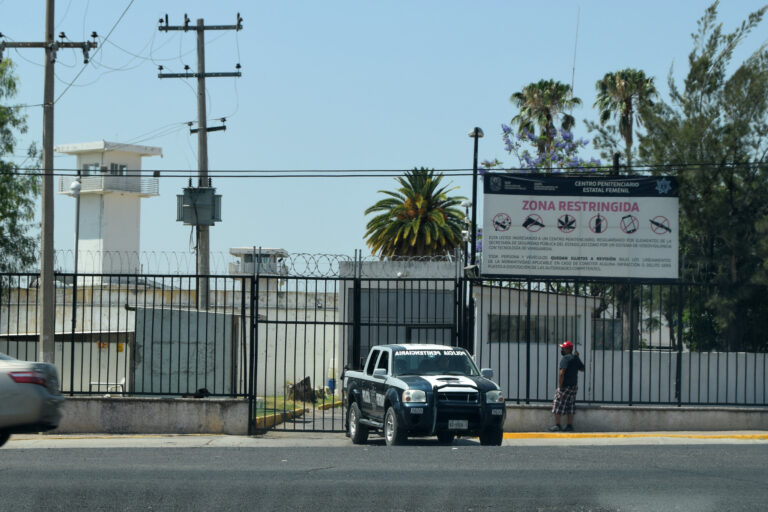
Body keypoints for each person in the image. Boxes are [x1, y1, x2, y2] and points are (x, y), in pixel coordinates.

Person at [549, 340, 585, 432]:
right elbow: (582, 369)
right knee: (570, 405)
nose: (562, 349)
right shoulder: (575, 358)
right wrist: (578, 357)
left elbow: (562, 373)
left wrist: (560, 386)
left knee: (558, 403)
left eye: (563, 348)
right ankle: (570, 425)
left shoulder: (565, 358)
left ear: (568, 349)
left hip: (565, 386)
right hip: (573, 386)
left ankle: (558, 425)